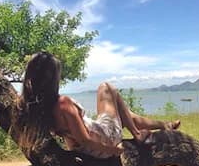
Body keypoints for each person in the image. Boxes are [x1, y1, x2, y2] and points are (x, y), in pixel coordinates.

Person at [13, 51, 180, 158]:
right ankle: (137, 134)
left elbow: (76, 139)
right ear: (53, 79)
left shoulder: (30, 107)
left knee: (127, 115)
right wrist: (115, 151)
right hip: (104, 141)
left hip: (85, 149)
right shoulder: (62, 104)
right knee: (106, 87)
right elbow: (85, 139)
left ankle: (166, 125)